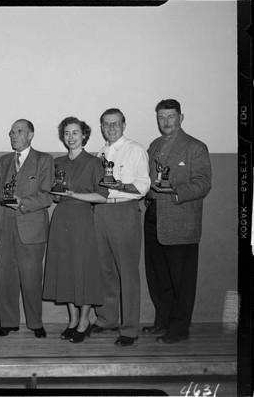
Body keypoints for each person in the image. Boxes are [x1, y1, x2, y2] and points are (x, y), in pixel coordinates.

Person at [144, 99, 212, 344]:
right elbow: (147, 180)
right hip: (153, 218)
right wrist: (148, 194)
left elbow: (203, 183)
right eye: (161, 117)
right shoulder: (154, 145)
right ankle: (162, 321)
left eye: (171, 117)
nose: (166, 122)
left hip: (180, 221)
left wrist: (175, 191)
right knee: (158, 277)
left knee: (181, 279)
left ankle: (179, 328)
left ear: (181, 118)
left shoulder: (195, 147)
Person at [0, 119, 54, 338]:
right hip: (6, 226)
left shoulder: (44, 160)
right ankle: (9, 322)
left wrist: (22, 200)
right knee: (6, 277)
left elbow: (47, 196)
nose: (13, 136)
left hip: (31, 227)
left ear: (31, 135)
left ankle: (35, 323)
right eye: (12, 132)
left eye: (19, 132)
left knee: (32, 279)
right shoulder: (4, 160)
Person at [43, 117, 108, 343]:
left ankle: (84, 321)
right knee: (65, 269)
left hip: (82, 219)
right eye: (67, 133)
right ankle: (72, 320)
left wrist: (73, 195)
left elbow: (102, 195)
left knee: (84, 270)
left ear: (84, 136)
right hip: (61, 219)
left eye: (75, 133)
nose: (71, 137)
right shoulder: (57, 162)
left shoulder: (94, 162)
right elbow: (53, 194)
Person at [90, 108, 151, 347]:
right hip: (101, 211)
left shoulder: (135, 149)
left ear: (124, 125)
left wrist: (119, 185)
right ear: (101, 127)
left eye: (115, 124)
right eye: (106, 124)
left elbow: (143, 187)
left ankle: (129, 329)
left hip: (124, 211)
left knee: (127, 273)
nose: (111, 128)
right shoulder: (100, 152)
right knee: (104, 271)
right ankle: (107, 319)